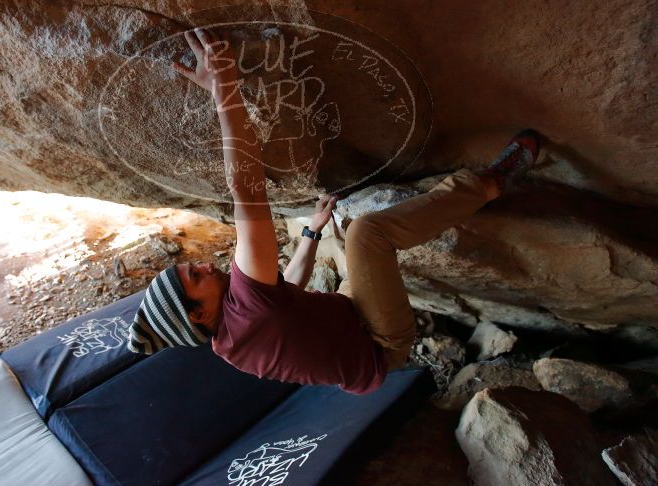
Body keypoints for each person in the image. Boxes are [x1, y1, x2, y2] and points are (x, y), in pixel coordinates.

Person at [126, 27, 541, 394]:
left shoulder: (228, 342)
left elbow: (286, 287)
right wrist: (224, 89)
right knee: (365, 234)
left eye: (193, 265)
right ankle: (491, 182)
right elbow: (247, 191)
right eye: (196, 276)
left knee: (350, 240)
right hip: (381, 344)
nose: (205, 266)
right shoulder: (246, 309)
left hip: (347, 316)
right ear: (199, 314)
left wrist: (310, 235)